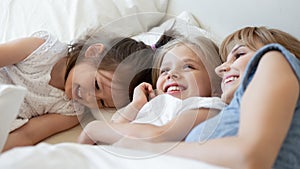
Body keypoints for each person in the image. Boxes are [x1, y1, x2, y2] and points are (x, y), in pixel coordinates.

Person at [114, 26, 300, 169]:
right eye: (225, 61)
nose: (221, 69)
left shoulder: (276, 58)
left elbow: (249, 157)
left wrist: (150, 148)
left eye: (239, 54)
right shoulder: (234, 111)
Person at [0, 29, 159, 152]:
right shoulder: (42, 51)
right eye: (96, 85)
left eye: (101, 102)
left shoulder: (71, 111)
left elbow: (27, 135)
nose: (90, 98)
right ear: (92, 53)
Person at [77, 36, 226, 145]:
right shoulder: (153, 105)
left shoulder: (208, 106)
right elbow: (113, 126)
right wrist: (136, 105)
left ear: (215, 84)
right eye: (164, 70)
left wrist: (93, 129)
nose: (171, 74)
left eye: (188, 67)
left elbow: (159, 136)